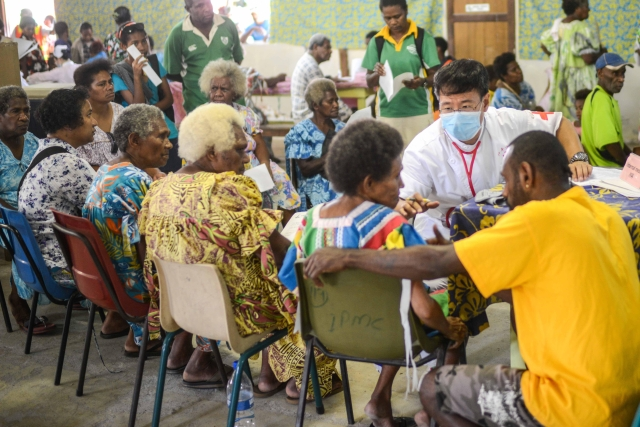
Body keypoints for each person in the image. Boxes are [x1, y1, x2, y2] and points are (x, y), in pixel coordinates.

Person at [304, 131, 640, 427]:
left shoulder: (534, 220)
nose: (505, 193)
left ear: (526, 175)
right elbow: (518, 287)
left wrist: (347, 257)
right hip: (625, 397)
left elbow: (434, 263)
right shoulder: (608, 217)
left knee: (433, 388)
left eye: (506, 181)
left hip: (575, 407)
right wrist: (459, 258)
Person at [138, 103, 341, 399]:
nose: (247, 158)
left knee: (251, 270)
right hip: (236, 314)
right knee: (314, 280)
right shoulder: (226, 189)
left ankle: (268, 375)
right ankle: (307, 379)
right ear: (211, 153)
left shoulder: (158, 190)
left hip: (185, 309)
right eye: (239, 150)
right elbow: (280, 254)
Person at [279, 119, 467, 427]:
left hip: (328, 336)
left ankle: (381, 401)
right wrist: (449, 328)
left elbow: (290, 277)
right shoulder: (394, 229)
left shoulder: (308, 222)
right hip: (391, 335)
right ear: (368, 184)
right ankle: (431, 411)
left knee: (390, 305)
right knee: (456, 314)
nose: (402, 185)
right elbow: (423, 310)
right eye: (395, 176)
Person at [399, 59, 591, 242]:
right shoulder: (422, 149)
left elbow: (560, 123)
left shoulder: (506, 122)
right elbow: (403, 200)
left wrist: (578, 158)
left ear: (485, 102)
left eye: (466, 106)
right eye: (447, 108)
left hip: (501, 226)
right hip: (443, 233)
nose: (456, 116)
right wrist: (405, 206)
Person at [18, 89, 128, 337]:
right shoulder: (66, 163)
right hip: (63, 267)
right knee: (139, 245)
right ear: (68, 125)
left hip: (41, 261)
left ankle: (119, 316)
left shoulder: (44, 151)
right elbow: (111, 208)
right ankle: (135, 324)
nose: (95, 122)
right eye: (88, 115)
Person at [83, 104, 172, 356]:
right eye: (161, 137)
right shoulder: (136, 180)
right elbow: (152, 248)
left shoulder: (106, 170)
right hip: (133, 289)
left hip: (105, 284)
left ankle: (123, 324)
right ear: (134, 140)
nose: (169, 144)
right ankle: (162, 342)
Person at [199, 59, 300, 222]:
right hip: (225, 169)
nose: (218, 93)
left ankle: (289, 233)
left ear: (234, 92)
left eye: (224, 89)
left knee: (280, 178)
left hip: (254, 167)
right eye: (214, 88)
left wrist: (265, 166)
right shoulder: (201, 116)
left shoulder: (246, 114)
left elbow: (259, 143)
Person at [0, 86, 48, 333]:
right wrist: (18, 215)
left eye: (26, 111)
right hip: (4, 214)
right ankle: (18, 300)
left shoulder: (33, 142)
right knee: (23, 233)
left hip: (34, 209)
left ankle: (72, 290)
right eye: (15, 111)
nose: (23, 117)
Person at [362, 0, 441, 145]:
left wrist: (421, 82)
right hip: (387, 113)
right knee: (392, 157)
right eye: (387, 18)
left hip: (419, 111)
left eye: (397, 16)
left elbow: (436, 76)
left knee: (420, 156)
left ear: (406, 11)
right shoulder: (377, 41)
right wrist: (377, 73)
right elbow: (368, 81)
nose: (393, 22)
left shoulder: (422, 38)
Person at [112, 22, 181, 173]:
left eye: (144, 41)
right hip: (144, 137)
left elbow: (168, 99)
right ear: (124, 46)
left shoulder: (154, 64)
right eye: (135, 43)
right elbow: (136, 109)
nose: (142, 47)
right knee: (154, 177)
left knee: (175, 175)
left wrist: (150, 113)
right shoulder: (119, 73)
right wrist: (136, 76)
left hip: (167, 130)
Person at [163, 0, 243, 114]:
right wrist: (198, 81)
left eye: (208, 2)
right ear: (188, 9)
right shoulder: (178, 34)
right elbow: (172, 73)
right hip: (198, 105)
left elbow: (237, 59)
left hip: (232, 105)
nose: (207, 8)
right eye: (200, 6)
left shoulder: (228, 24)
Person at [285, 78, 345, 211]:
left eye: (336, 100)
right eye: (330, 101)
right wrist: (334, 154)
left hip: (341, 185)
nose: (336, 105)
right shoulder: (301, 132)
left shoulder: (342, 128)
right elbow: (305, 168)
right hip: (313, 192)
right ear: (316, 105)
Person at [540, 0, 604, 121]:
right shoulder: (580, 27)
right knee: (584, 113)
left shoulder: (558, 26)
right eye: (586, 6)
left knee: (566, 116)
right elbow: (588, 58)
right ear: (577, 9)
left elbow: (544, 44)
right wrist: (602, 53)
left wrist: (557, 58)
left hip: (562, 78)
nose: (589, 10)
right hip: (580, 80)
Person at [581, 53, 634, 167]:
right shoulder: (601, 99)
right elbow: (610, 143)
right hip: (607, 169)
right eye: (615, 73)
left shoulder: (605, 98)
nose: (621, 79)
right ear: (600, 73)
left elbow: (617, 142)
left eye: (623, 73)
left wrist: (634, 159)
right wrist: (629, 166)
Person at [73, 59, 124, 169]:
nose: (110, 87)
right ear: (86, 90)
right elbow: (83, 165)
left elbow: (135, 150)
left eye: (110, 82)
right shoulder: (78, 119)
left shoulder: (120, 111)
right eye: (102, 84)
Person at [290, 34, 352, 123]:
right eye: (327, 47)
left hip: (302, 114)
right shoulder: (311, 66)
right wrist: (349, 115)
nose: (330, 51)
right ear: (315, 47)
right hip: (307, 116)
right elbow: (327, 96)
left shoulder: (307, 61)